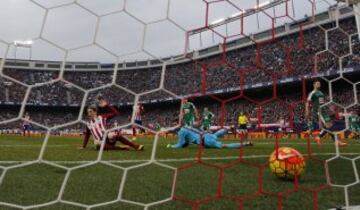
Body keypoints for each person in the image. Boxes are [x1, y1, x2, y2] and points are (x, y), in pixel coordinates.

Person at [305, 80, 347, 146]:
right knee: (328, 126)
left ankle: (319, 137)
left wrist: (327, 108)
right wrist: (307, 111)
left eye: (319, 83)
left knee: (329, 125)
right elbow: (307, 102)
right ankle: (336, 141)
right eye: (317, 83)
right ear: (314, 85)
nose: (319, 84)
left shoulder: (321, 93)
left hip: (324, 110)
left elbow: (322, 102)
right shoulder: (312, 93)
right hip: (318, 111)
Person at [167, 127, 253, 149]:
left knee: (224, 146)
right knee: (215, 135)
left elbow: (180, 144)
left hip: (206, 141)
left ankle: (246, 143)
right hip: (206, 135)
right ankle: (227, 129)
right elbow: (187, 141)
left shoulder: (181, 132)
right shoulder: (186, 127)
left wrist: (171, 146)